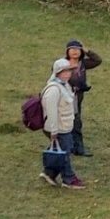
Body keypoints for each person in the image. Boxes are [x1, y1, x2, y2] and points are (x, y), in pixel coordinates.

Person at [40, 59, 87, 189]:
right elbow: (51, 112)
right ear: (57, 73)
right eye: (64, 72)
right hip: (59, 128)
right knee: (65, 153)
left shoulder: (64, 85)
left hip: (65, 127)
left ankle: (49, 173)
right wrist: (54, 131)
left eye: (69, 71)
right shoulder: (53, 90)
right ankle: (69, 179)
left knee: (63, 150)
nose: (67, 74)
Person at [62, 39, 103, 157]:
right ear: (67, 51)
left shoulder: (83, 64)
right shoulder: (62, 64)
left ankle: (78, 148)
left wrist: (87, 50)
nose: (75, 51)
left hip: (77, 97)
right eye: (72, 49)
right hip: (64, 97)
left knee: (76, 121)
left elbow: (98, 60)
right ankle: (67, 147)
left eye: (77, 49)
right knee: (65, 122)